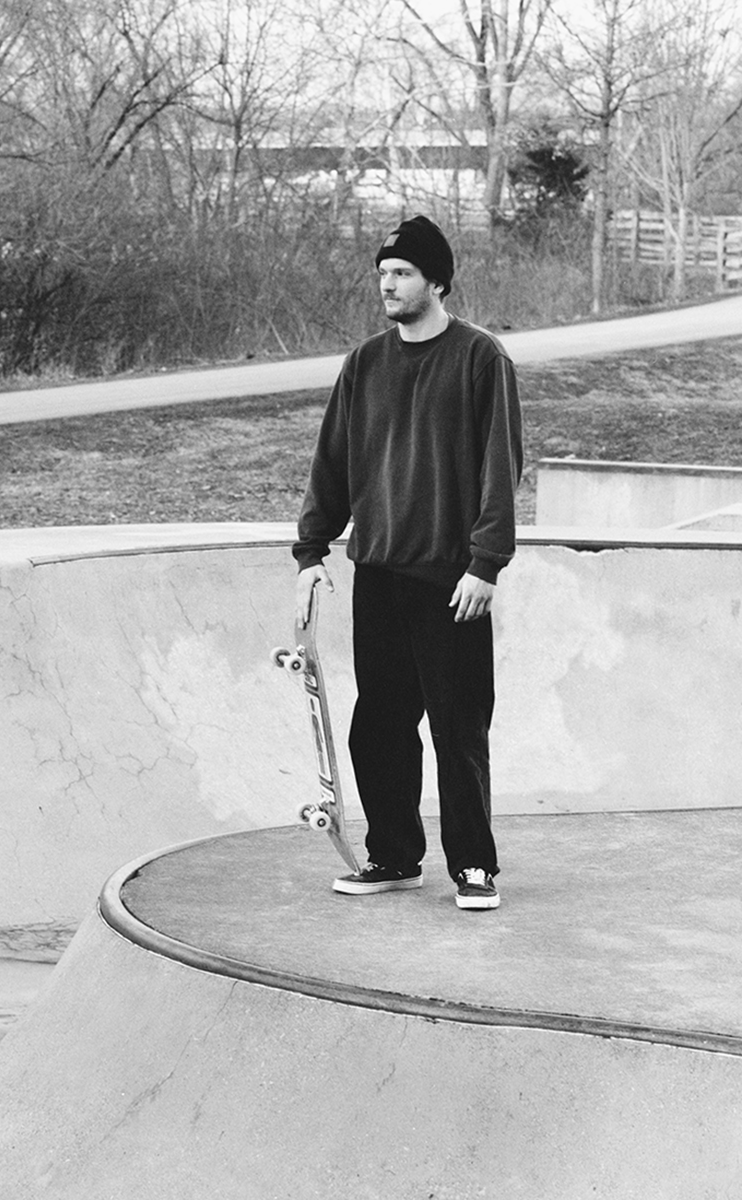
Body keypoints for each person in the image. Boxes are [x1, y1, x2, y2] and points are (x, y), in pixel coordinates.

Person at [292, 214, 523, 911]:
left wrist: (486, 563)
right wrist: (311, 549)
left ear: (437, 281)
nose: (388, 286)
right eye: (382, 275)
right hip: (382, 573)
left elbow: (500, 466)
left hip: (451, 578)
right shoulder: (365, 363)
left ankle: (474, 867)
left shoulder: (480, 358)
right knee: (382, 723)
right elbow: (331, 461)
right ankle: (393, 855)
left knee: (457, 724)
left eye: (402, 274)